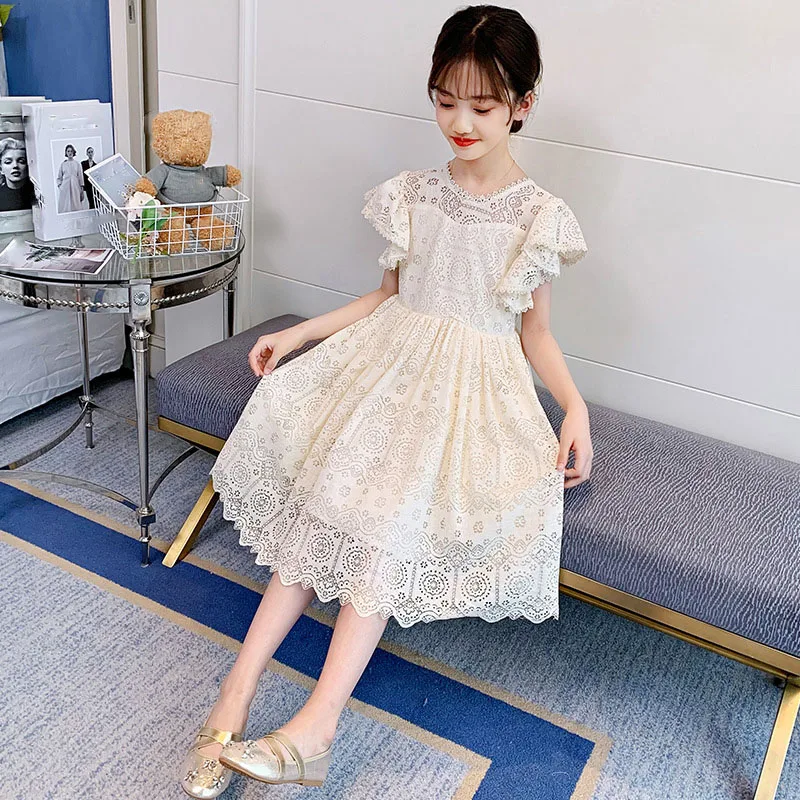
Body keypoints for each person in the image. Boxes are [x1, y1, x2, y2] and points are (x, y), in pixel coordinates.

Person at [179, 5, 594, 797]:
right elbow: (386, 297)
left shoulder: (538, 216)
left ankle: (316, 728)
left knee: (382, 525)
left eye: (482, 106)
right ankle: (233, 698)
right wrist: (301, 334)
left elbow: (534, 332)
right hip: (390, 368)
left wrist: (573, 407)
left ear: (523, 104)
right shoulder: (414, 194)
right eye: (446, 101)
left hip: (469, 395)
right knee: (318, 512)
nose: (461, 123)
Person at [0, 136, 35, 211]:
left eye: (21, 161)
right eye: (8, 162)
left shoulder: (37, 194)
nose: (15, 166)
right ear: (1, 169)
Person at [56, 144, 85, 213]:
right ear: (66, 153)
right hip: (65, 188)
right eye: (68, 151)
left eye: (71, 151)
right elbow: (59, 177)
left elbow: (80, 177)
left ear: (73, 152)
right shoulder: (63, 164)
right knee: (66, 206)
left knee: (76, 206)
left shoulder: (77, 164)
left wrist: (81, 189)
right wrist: (60, 186)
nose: (70, 153)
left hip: (75, 187)